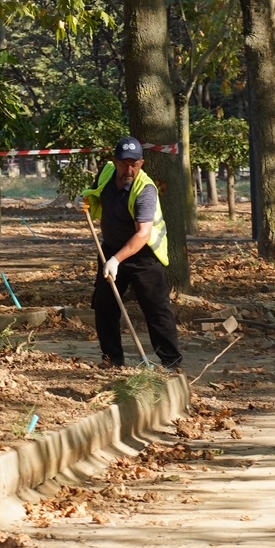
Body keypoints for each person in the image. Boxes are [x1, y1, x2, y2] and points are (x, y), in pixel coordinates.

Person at [85, 136, 182, 372]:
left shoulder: (145, 190)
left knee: (156, 308)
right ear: (115, 161)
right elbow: (97, 192)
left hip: (143, 256)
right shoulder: (107, 173)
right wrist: (86, 199)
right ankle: (112, 360)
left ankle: (171, 363)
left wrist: (117, 260)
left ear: (142, 163)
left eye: (134, 164)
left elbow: (143, 234)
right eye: (124, 163)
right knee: (104, 304)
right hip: (110, 249)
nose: (129, 169)